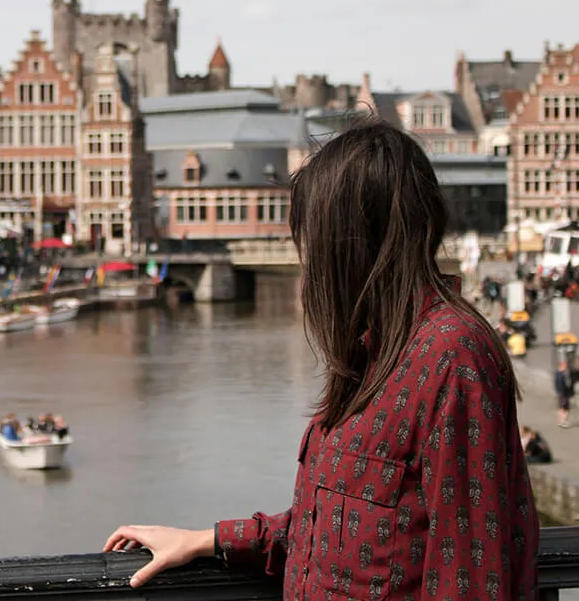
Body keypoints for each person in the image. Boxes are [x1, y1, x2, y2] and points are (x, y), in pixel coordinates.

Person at [103, 120, 539, 597]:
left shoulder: (452, 357)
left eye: (312, 241)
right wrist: (207, 540)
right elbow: (336, 524)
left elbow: (471, 577)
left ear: (352, 243)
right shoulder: (376, 352)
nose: (307, 264)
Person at [554, 359, 575, 428]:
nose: (566, 367)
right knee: (565, 408)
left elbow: (556, 384)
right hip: (564, 393)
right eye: (565, 366)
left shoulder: (556, 373)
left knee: (561, 407)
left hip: (560, 393)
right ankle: (563, 421)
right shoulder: (563, 374)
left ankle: (560, 421)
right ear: (562, 366)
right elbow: (567, 384)